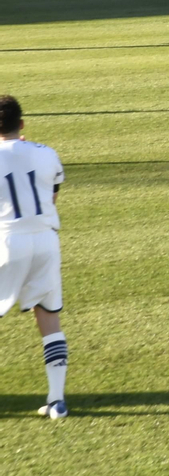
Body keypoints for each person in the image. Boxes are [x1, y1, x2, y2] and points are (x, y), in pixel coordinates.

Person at [0, 96, 70, 419]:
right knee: (49, 318)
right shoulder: (48, 153)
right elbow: (51, 196)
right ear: (22, 124)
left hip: (7, 242)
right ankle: (57, 400)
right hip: (45, 240)